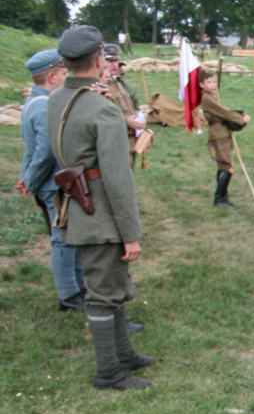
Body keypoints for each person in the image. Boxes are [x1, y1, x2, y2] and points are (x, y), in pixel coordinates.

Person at [47, 25, 154, 390]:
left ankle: (124, 356)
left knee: (111, 286)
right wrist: (131, 234)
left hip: (77, 204)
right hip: (101, 213)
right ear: (98, 60)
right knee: (103, 293)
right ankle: (108, 371)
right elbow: (118, 180)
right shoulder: (102, 108)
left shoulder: (58, 98)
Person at [16, 48, 87, 312]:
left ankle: (78, 288)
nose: (67, 77)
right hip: (52, 183)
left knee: (70, 236)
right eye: (63, 73)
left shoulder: (33, 102)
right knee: (63, 239)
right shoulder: (45, 105)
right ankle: (69, 295)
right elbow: (44, 151)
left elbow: (31, 149)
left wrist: (26, 177)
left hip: (47, 181)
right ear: (53, 77)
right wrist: (31, 181)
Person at [198, 68, 249, 208]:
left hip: (222, 132)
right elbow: (224, 112)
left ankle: (223, 196)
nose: (212, 84)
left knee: (223, 165)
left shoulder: (211, 97)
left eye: (213, 81)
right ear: (201, 84)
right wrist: (241, 119)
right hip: (219, 134)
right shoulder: (207, 98)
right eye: (208, 82)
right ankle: (219, 198)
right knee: (227, 166)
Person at [102, 44, 145, 169]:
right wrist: (126, 121)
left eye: (116, 61)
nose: (114, 64)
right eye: (109, 61)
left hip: (129, 140)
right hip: (116, 142)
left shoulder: (117, 83)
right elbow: (102, 116)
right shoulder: (99, 86)